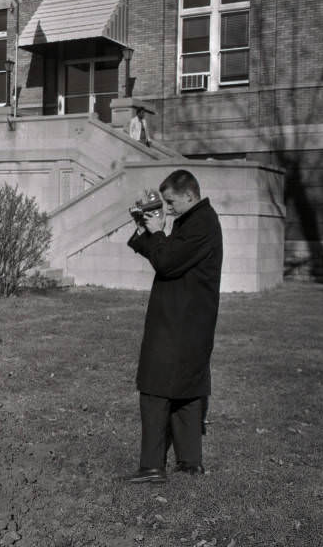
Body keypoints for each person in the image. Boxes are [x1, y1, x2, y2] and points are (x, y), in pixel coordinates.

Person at [126, 169, 223, 483]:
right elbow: (166, 256)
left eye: (170, 202)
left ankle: (152, 466)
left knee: (155, 387)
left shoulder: (201, 224)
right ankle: (190, 461)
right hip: (189, 320)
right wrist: (146, 230)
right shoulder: (196, 220)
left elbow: (166, 262)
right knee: (187, 389)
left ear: (189, 195)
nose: (166, 208)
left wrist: (156, 233)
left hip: (180, 322)